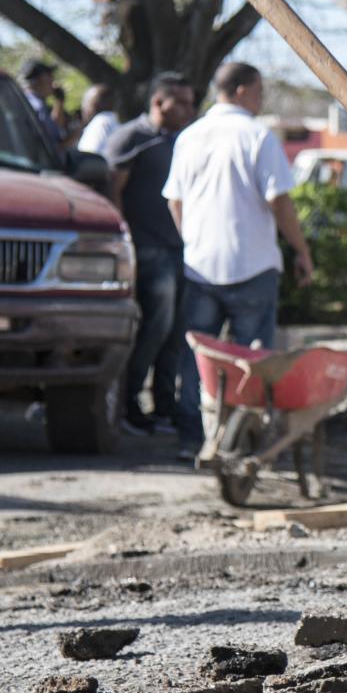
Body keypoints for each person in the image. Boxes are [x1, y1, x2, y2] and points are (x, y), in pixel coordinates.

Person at [164, 62, 316, 462]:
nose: (262, 97)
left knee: (199, 358)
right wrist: (300, 250)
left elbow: (174, 201)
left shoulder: (189, 137)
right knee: (253, 359)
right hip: (252, 265)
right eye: (259, 89)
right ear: (243, 90)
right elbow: (279, 200)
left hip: (200, 265)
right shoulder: (257, 137)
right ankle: (247, 439)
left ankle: (193, 436)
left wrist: (191, 241)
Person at [103, 73, 197, 436]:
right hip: (147, 247)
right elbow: (113, 190)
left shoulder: (183, 141)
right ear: (159, 103)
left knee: (175, 331)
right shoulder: (131, 137)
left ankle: (163, 404)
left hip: (180, 247)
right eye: (182, 103)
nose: (189, 109)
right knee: (154, 328)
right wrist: (124, 241)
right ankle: (130, 403)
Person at [20, 60, 65, 152]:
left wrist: (59, 101)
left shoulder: (24, 100)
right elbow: (53, 139)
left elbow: (54, 125)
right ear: (39, 79)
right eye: (49, 75)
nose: (53, 79)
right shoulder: (37, 105)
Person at [76, 84, 119, 155]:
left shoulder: (99, 123)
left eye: (85, 104)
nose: (83, 109)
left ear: (93, 106)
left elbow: (91, 160)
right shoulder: (116, 122)